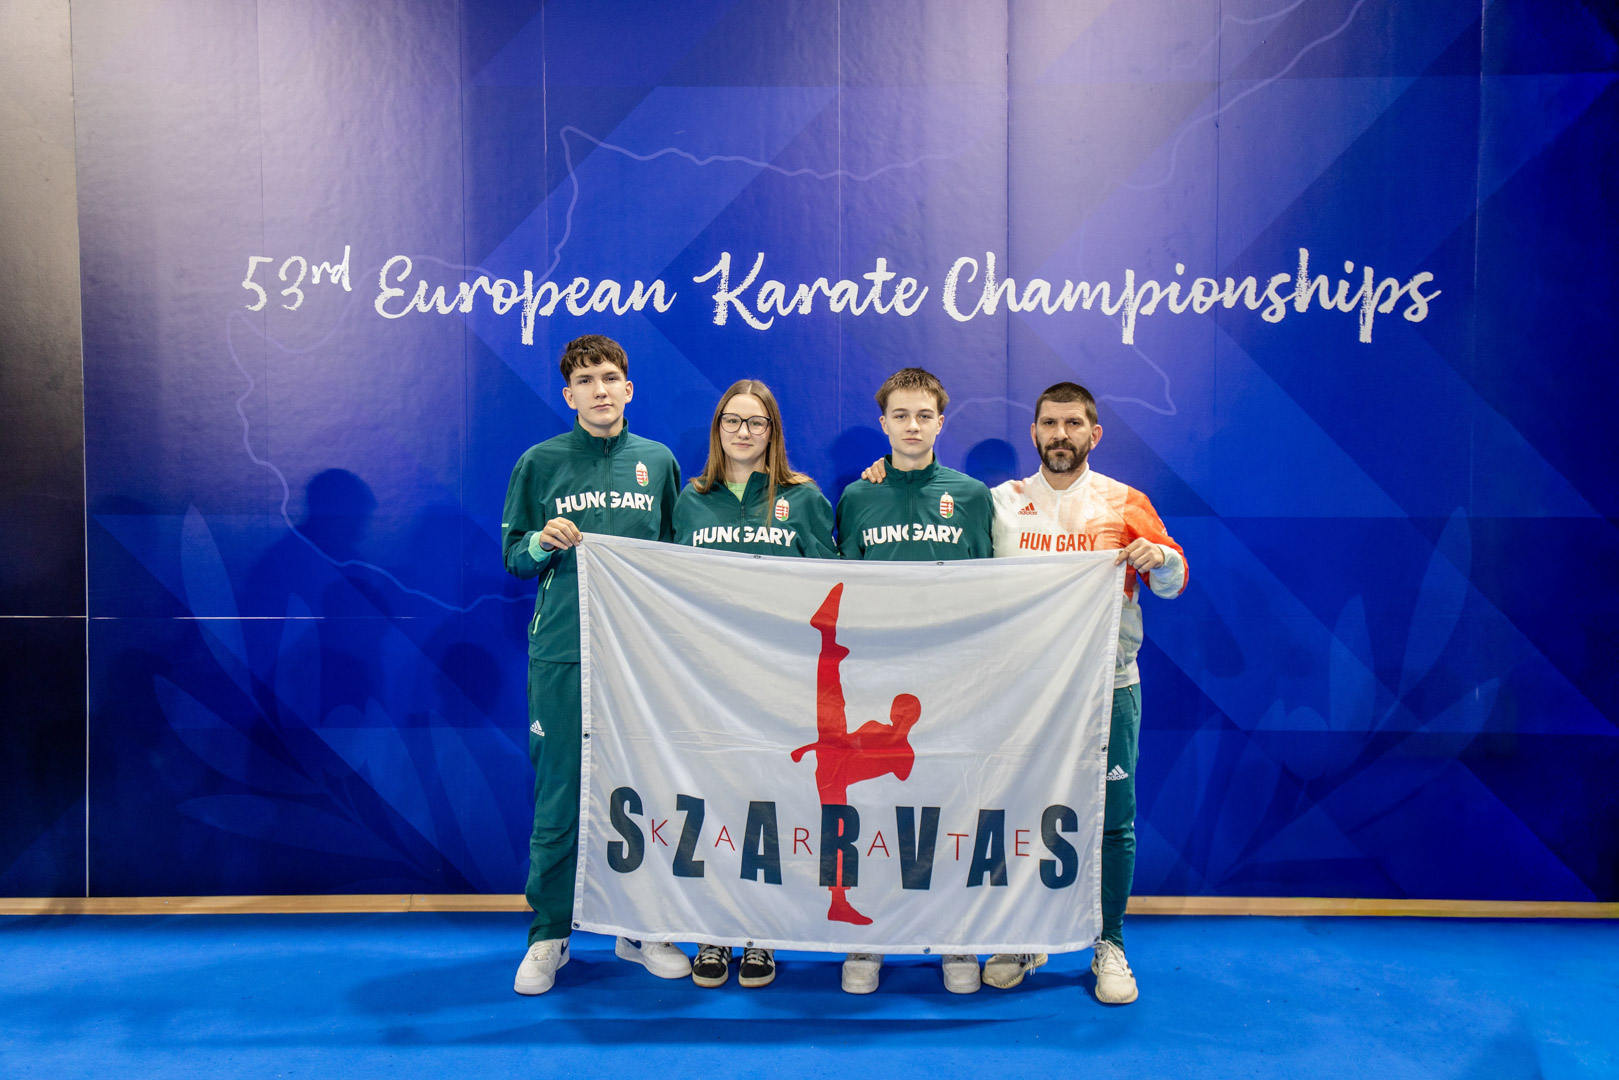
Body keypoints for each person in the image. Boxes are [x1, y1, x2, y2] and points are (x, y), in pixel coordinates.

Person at [981, 381, 1186, 1004]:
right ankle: (1026, 934)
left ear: (1093, 434)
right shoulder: (1002, 503)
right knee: (1019, 808)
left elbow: (1175, 579)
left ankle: (1110, 941)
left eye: (1073, 424)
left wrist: (1159, 558)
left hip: (1107, 686)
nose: (1060, 435)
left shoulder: (1124, 501)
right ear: (1034, 432)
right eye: (1049, 423)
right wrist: (885, 477)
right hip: (1026, 690)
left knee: (1112, 818)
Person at [502, 334, 688, 995]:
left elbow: (679, 556)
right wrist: (539, 541)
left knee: (647, 789)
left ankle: (642, 927)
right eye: (585, 381)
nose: (599, 389)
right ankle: (549, 933)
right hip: (564, 652)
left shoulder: (657, 462)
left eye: (609, 377)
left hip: (641, 656)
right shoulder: (539, 462)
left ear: (628, 389)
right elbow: (513, 557)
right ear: (569, 395)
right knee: (561, 794)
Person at [831, 367, 993, 995]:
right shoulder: (857, 496)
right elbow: (841, 587)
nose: (913, 426)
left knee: (950, 802)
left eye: (924, 415)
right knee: (874, 806)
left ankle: (955, 936)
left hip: (951, 680)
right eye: (900, 415)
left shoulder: (971, 496)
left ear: (941, 423)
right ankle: (869, 938)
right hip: (878, 678)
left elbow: (993, 588)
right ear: (884, 423)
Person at [672, 378, 837, 988]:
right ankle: (713, 931)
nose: (743, 432)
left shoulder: (804, 498)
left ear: (773, 431)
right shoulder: (692, 500)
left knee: (771, 804)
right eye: (732, 421)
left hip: (779, 681)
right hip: (709, 682)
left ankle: (760, 932)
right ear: (718, 428)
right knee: (713, 800)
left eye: (756, 422)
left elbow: (832, 587)